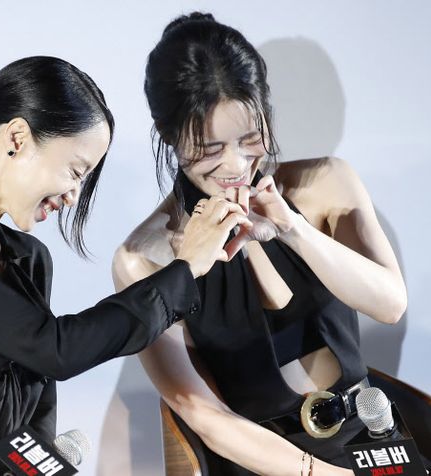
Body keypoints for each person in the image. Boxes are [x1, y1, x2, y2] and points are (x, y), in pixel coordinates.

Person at [0, 56, 248, 476]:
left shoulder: (28, 260)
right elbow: (55, 350)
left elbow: (31, 429)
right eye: (76, 171)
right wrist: (183, 269)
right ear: (17, 138)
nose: (73, 196)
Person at [112, 13, 411, 475]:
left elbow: (389, 305)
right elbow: (204, 416)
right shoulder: (144, 258)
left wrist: (293, 228)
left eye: (251, 139)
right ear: (168, 133)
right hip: (264, 462)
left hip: (368, 437)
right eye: (210, 149)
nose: (236, 165)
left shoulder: (325, 182)